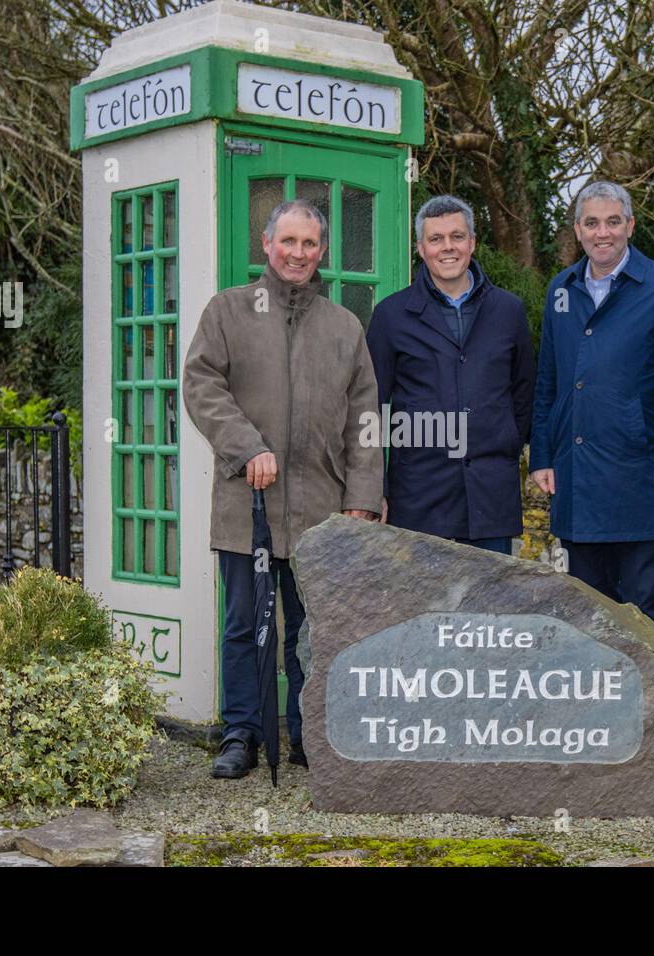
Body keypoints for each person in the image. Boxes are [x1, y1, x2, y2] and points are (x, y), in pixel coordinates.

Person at [183, 199, 382, 779]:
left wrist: (363, 497)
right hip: (247, 505)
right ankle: (243, 733)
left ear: (322, 251)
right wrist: (247, 446)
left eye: (309, 244)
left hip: (323, 510)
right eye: (287, 241)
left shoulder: (344, 326)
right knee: (243, 623)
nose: (298, 253)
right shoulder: (228, 311)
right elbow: (200, 386)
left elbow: (364, 419)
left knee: (313, 629)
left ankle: (306, 733)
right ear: (266, 244)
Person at [528, 180, 654, 637]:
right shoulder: (561, 290)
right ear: (578, 229)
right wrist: (543, 455)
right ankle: (596, 704)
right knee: (586, 613)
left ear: (630, 225)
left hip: (640, 476)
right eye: (591, 223)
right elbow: (548, 378)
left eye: (612, 222)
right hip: (577, 481)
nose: (602, 232)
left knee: (644, 611)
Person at [366, 195, 534, 552]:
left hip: (491, 497)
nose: (448, 248)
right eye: (436, 239)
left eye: (457, 237)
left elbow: (524, 394)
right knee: (420, 608)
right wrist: (372, 490)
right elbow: (371, 408)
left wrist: (498, 442)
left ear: (472, 242)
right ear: (420, 248)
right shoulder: (391, 316)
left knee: (490, 608)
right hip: (418, 498)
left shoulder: (509, 311)